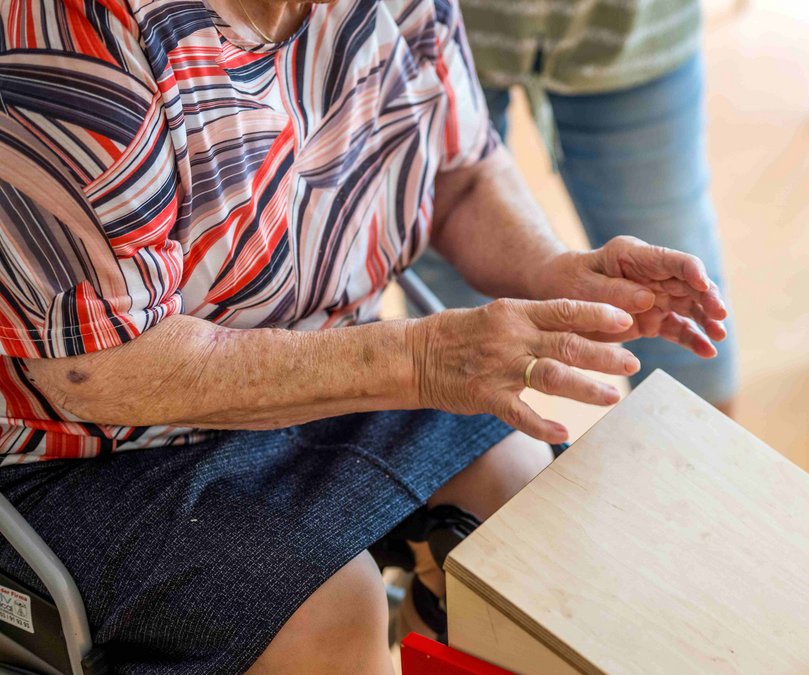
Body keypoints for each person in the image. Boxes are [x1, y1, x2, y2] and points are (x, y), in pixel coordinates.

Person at [0, 0, 728, 671]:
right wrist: (418, 357)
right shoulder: (82, 36)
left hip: (314, 358)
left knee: (524, 497)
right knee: (331, 609)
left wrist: (558, 269)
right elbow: (104, 373)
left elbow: (463, 172)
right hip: (89, 446)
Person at [411, 0, 739, 413]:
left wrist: (547, 268)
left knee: (674, 298)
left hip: (631, 31)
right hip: (426, 31)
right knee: (447, 307)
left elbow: (462, 189)